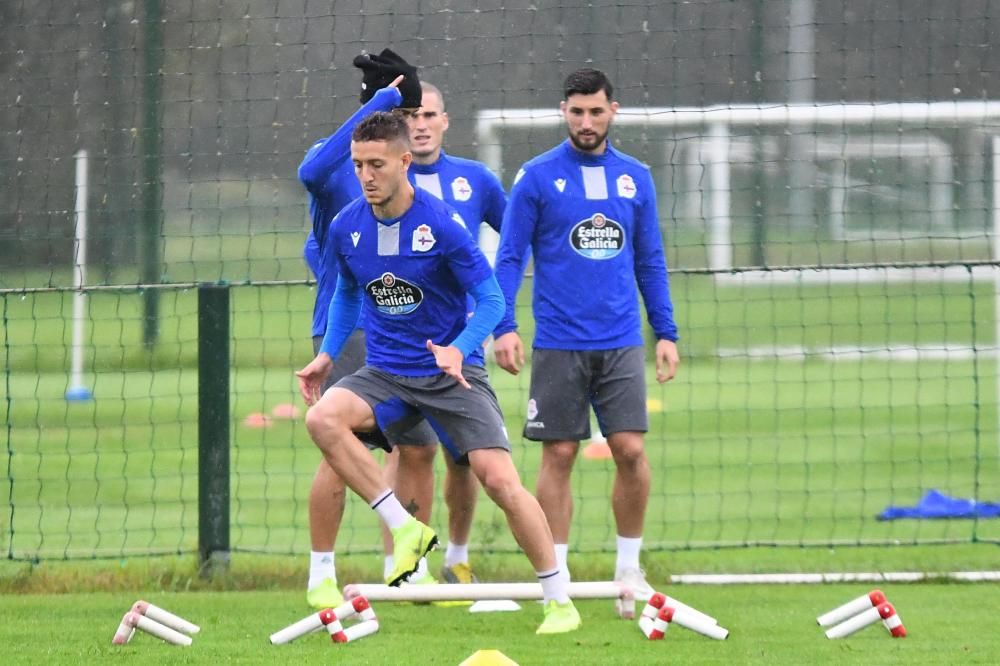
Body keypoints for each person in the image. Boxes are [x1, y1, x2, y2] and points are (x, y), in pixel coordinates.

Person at [296, 111, 581, 634]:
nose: (365, 176)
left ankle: (559, 598)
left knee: (499, 480)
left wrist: (461, 347)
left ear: (404, 162)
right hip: (386, 373)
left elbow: (492, 297)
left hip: (451, 371)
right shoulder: (346, 225)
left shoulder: (442, 223)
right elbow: (349, 293)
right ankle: (405, 530)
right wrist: (327, 356)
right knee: (322, 420)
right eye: (358, 165)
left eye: (376, 164)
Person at [491, 68, 680, 614]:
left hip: (620, 341)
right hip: (558, 342)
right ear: (563, 111)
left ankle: (629, 570)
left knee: (630, 450)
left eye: (596, 111)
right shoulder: (536, 176)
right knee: (560, 453)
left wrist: (664, 331)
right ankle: (559, 579)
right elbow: (509, 258)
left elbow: (650, 260)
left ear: (612, 111)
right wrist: (503, 326)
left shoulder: (635, 178)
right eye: (576, 111)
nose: (586, 122)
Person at [297, 48, 441, 608]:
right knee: (341, 446)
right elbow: (311, 182)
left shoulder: (407, 175)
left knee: (419, 449)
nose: (417, 125)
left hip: (407, 330)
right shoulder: (332, 161)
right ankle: (320, 575)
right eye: (409, 112)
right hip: (350, 328)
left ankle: (405, 568)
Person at [394, 81, 509, 585]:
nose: (419, 124)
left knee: (464, 459)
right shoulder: (381, 180)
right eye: (411, 116)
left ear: (446, 122)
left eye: (429, 115)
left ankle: (456, 557)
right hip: (399, 345)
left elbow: (515, 243)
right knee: (410, 453)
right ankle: (408, 564)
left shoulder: (476, 180)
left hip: (462, 344)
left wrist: (503, 324)